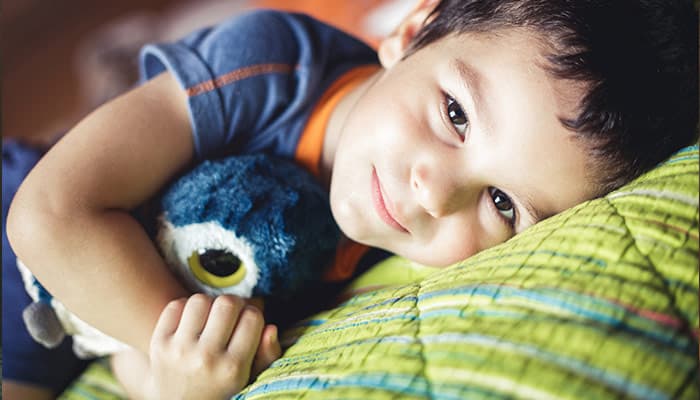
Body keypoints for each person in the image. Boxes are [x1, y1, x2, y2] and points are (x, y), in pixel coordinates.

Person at [4, 0, 697, 398]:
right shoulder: (271, 69)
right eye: (455, 114)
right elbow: (48, 215)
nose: (437, 191)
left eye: (504, 204)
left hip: (63, 339)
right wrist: (184, 349)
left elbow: (130, 364)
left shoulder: (382, 260)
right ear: (409, 31)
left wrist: (162, 372)